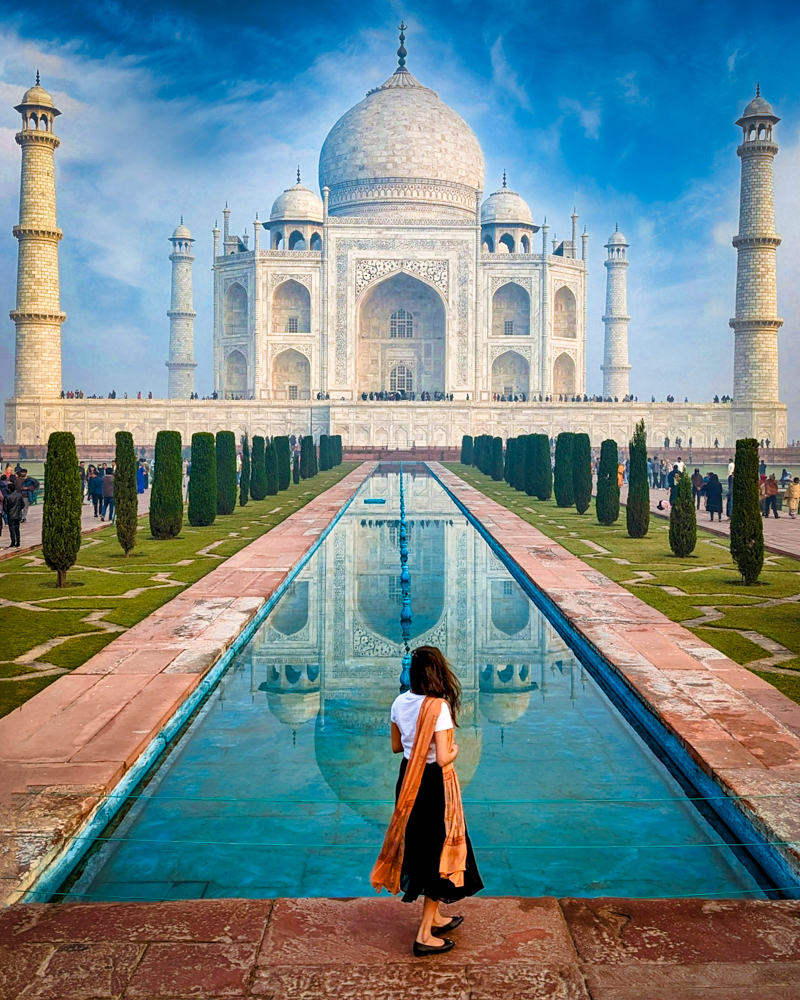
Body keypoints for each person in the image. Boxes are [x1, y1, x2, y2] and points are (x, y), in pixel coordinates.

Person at [371, 646, 483, 956]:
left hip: (408, 779)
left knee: (421, 846)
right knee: (438, 851)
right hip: (433, 783)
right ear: (437, 673)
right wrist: (456, 750)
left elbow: (396, 747)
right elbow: (445, 757)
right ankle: (423, 935)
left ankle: (433, 915)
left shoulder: (398, 702)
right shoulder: (439, 707)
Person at [3, 480, 24, 548]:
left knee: (12, 529)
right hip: (17, 514)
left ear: (9, 489)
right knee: (17, 529)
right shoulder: (19, 495)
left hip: (10, 515)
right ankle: (18, 542)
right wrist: (18, 509)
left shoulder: (7, 497)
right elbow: (22, 505)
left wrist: (8, 512)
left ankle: (13, 542)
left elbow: (5, 508)